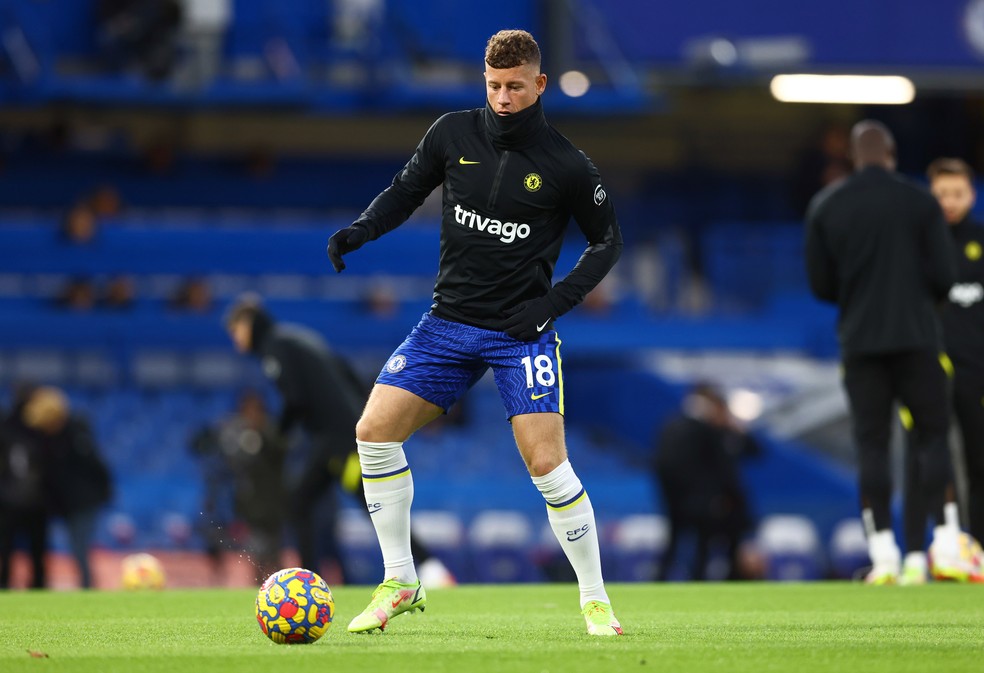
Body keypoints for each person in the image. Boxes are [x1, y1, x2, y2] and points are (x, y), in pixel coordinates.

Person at [326, 30, 623, 635]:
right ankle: (401, 580)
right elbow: (405, 191)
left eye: (515, 86)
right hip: (448, 322)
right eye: (493, 86)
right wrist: (361, 230)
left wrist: (553, 304)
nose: (503, 98)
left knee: (548, 465)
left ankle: (595, 601)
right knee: (373, 433)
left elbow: (607, 243)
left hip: (521, 333)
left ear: (540, 84)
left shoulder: (567, 164)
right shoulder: (451, 133)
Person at [804, 120, 960, 585]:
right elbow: (945, 277)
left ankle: (884, 554)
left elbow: (820, 285)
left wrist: (859, 296)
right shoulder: (921, 202)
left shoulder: (826, 205)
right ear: (891, 154)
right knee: (932, 437)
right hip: (917, 338)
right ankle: (946, 543)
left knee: (871, 445)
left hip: (861, 343)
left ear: (854, 157)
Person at [224, 294, 451, 586]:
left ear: (248, 324)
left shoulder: (275, 348)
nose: (236, 340)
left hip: (336, 441)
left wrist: (277, 437)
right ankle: (430, 567)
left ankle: (310, 580)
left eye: (236, 331)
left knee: (339, 502)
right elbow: (345, 371)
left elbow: (296, 399)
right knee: (340, 501)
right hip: (343, 437)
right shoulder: (295, 338)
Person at [897, 158, 984, 583]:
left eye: (958, 193)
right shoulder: (912, 245)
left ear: (972, 195)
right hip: (923, 369)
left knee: (979, 462)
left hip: (976, 372)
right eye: (942, 194)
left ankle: (977, 553)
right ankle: (915, 555)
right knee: (919, 461)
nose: (949, 202)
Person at [653, 383, 760, 581]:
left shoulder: (675, 426)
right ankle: (708, 578)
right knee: (705, 543)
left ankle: (666, 578)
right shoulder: (705, 431)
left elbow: (754, 451)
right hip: (705, 501)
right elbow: (722, 469)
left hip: (682, 500)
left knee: (682, 542)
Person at [22, 386, 113, 589]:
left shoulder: (74, 433)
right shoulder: (48, 439)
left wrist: (105, 491)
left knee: (79, 547)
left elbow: (95, 465)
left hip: (84, 501)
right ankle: (86, 586)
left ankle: (87, 588)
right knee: (75, 547)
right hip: (67, 504)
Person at [0, 385, 51, 589]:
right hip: (32, 499)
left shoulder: (6, 424)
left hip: (11, 498)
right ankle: (38, 583)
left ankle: (5, 583)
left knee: (8, 547)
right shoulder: (39, 427)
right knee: (35, 548)